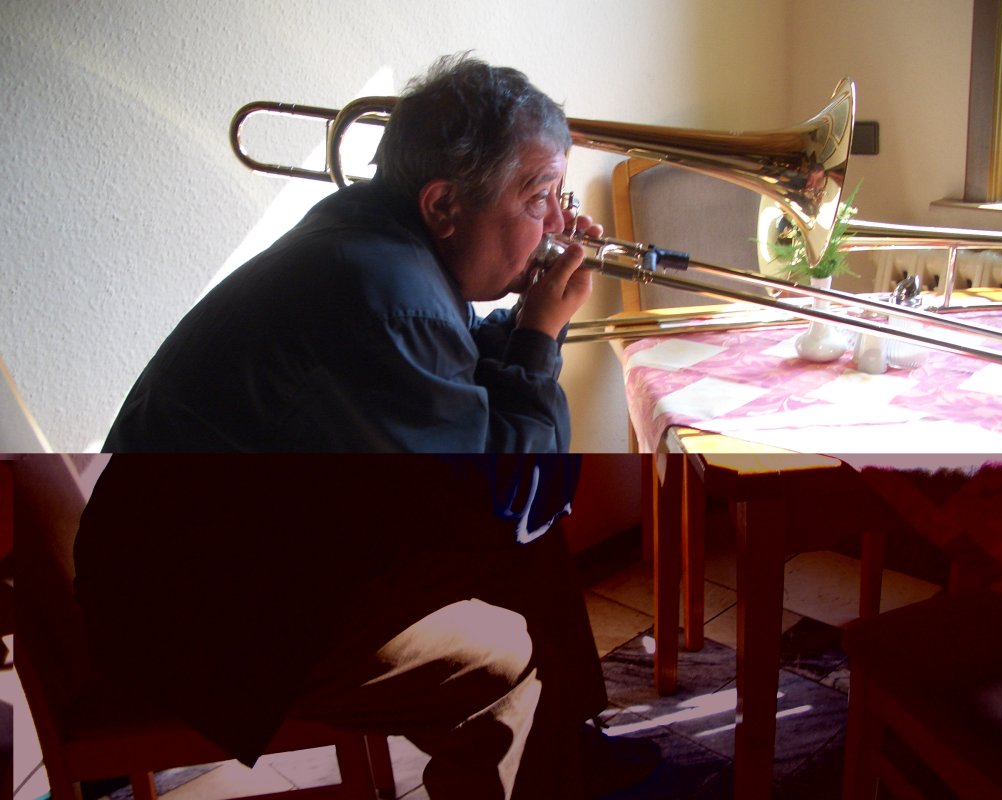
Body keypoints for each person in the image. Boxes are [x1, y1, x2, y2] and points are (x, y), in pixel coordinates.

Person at [73, 454, 661, 799]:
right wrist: (534, 352)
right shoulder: (382, 307)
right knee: (504, 668)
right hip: (214, 624)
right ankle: (531, 760)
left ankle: (568, 749)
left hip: (254, 563)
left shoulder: (353, 299)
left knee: (523, 533)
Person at [103, 54, 601, 453]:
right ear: (443, 205)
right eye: (540, 197)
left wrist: (530, 322)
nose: (558, 225)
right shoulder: (391, 301)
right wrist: (538, 338)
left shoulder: (368, 236)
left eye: (561, 198)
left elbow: (454, 376)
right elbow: (506, 510)